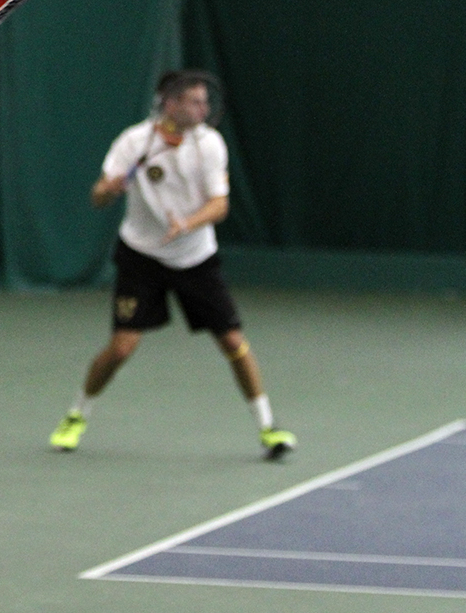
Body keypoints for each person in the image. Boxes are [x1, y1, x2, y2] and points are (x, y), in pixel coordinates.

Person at [50, 70, 296, 460]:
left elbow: (220, 204)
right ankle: (75, 416)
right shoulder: (134, 142)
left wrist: (187, 224)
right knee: (121, 348)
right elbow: (99, 197)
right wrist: (108, 189)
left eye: (205, 101)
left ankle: (269, 427)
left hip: (196, 258)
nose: (204, 108)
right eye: (195, 101)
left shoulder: (210, 144)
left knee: (233, 341)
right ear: (170, 104)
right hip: (141, 257)